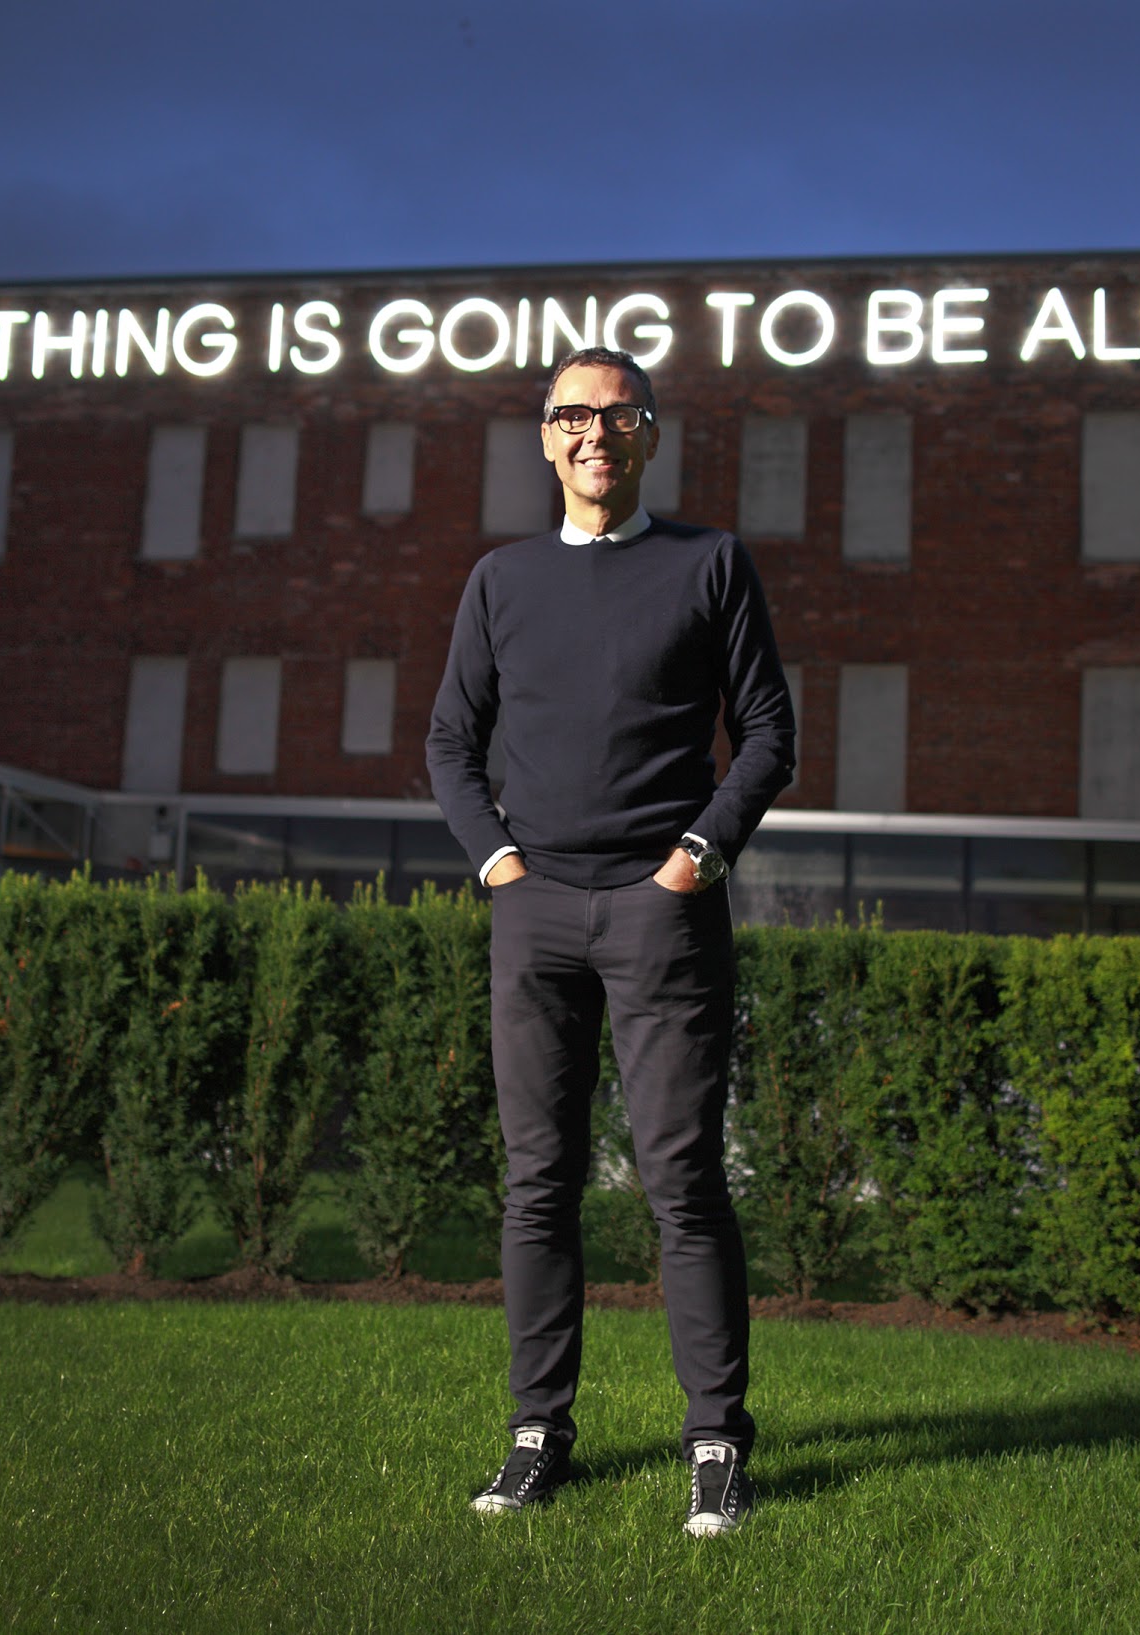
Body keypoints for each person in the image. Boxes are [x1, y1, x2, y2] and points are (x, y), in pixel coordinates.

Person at [425, 346, 795, 1537]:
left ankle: (716, 1445)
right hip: (535, 911)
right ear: (546, 439)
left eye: (617, 414)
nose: (595, 433)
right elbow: (450, 742)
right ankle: (537, 1437)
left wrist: (694, 859)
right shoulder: (501, 580)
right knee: (539, 1185)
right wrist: (501, 867)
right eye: (572, 416)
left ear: (647, 435)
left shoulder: (710, 563)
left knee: (681, 1182)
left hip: (661, 908)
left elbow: (771, 734)